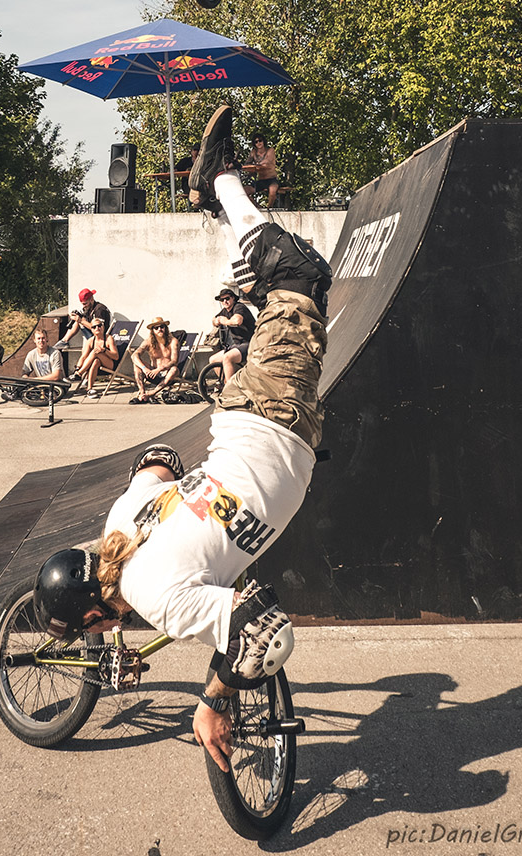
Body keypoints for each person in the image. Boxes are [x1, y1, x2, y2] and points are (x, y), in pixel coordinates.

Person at [32, 104, 332, 773]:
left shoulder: (157, 599)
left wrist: (215, 700)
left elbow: (266, 632)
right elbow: (157, 460)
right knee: (282, 282)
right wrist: (192, 504)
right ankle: (230, 220)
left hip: (272, 420)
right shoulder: (118, 524)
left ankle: (218, 179)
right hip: (242, 420)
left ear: (97, 620)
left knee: (303, 275)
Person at [207, 287, 255, 384]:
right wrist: (216, 321)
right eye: (222, 300)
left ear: (233, 298)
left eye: (227, 298)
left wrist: (226, 321)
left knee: (228, 358)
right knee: (213, 359)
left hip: (250, 343)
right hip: (237, 345)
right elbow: (214, 320)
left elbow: (237, 321)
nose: (225, 301)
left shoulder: (239, 307)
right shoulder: (225, 311)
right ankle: (225, 383)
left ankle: (231, 389)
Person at [130, 317, 181, 403]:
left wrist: (159, 369)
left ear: (166, 328)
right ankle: (142, 392)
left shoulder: (173, 341)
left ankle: (152, 393)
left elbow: (174, 361)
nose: (159, 329)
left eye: (162, 327)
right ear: (152, 331)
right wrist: (144, 368)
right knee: (136, 364)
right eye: (156, 328)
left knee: (174, 369)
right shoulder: (148, 342)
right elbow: (134, 355)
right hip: (152, 373)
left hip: (168, 374)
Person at [72, 318, 120, 398]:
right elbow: (83, 357)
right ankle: (89, 389)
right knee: (95, 362)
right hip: (97, 365)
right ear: (91, 330)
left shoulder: (108, 338)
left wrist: (104, 350)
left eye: (99, 325)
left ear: (103, 327)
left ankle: (79, 374)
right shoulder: (91, 341)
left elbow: (116, 356)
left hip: (110, 365)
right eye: (94, 327)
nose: (97, 328)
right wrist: (77, 368)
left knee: (95, 352)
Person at [245, 131, 279, 208]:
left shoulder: (270, 150)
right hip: (261, 180)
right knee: (244, 191)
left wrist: (257, 165)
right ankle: (258, 208)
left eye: (260, 140)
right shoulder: (253, 152)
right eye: (256, 142)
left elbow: (267, 161)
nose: (259, 143)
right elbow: (247, 163)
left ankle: (269, 208)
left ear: (263, 141)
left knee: (272, 191)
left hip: (271, 179)